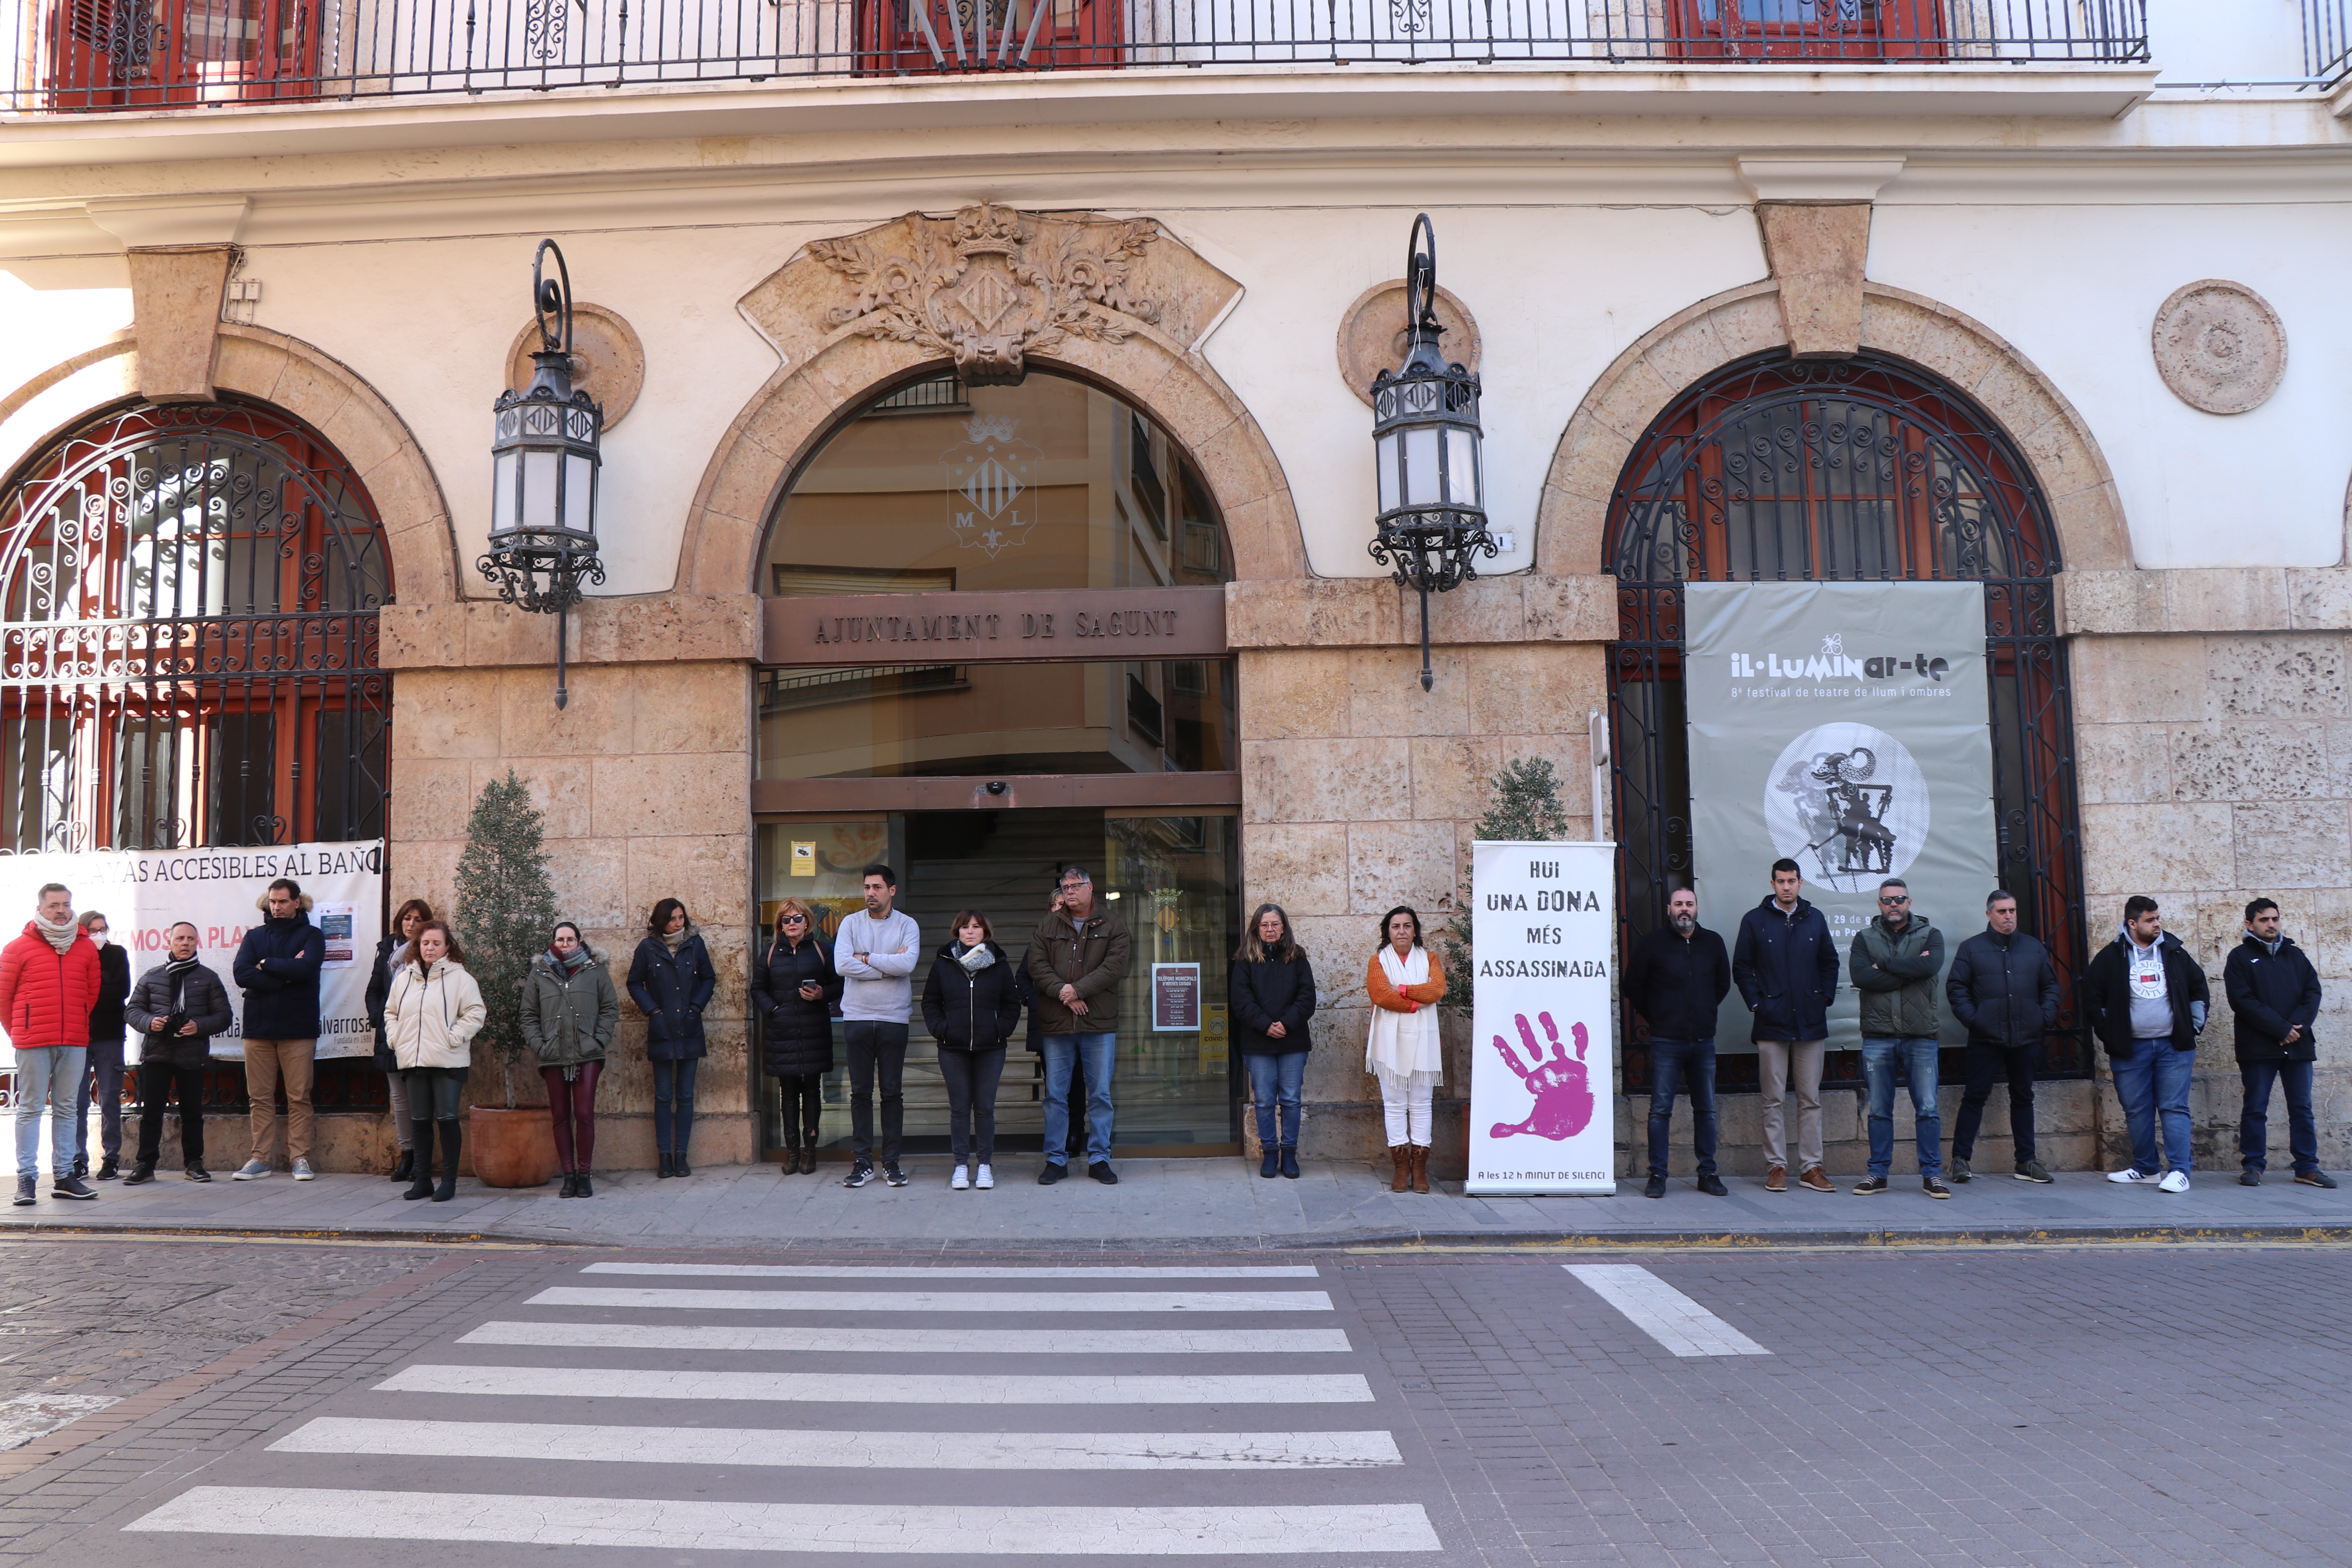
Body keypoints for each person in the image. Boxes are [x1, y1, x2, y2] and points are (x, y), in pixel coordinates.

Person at [2085, 895, 2207, 1193]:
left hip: (2174, 1047)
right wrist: (2110, 1033)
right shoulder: (2111, 956)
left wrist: (2193, 1025)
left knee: (2174, 1107)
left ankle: (2180, 1171)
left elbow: (2198, 987)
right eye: (2150, 920)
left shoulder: (2174, 951)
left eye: (2158, 919)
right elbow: (2092, 997)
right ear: (2133, 923)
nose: (2157, 924)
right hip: (2130, 1049)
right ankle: (2146, 1168)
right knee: (2137, 1110)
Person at [1732, 858, 1840, 1194]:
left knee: (1811, 1100)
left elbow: (1830, 962)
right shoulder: (1755, 921)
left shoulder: (1815, 919)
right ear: (1773, 884)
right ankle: (1776, 1167)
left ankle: (1811, 1168)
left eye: (1792, 881)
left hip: (1810, 1023)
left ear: (1801, 883)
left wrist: (1822, 998)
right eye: (1781, 882)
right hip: (1771, 1023)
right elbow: (1742, 967)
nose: (1787, 887)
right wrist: (1757, 1003)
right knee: (1773, 1100)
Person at [1945, 889, 2060, 1184]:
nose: (2009, 916)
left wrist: (2042, 1018)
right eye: (2002, 911)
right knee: (1974, 1097)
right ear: (1989, 915)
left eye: (2012, 910)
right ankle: (1960, 1160)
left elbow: (2051, 988)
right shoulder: (1971, 949)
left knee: (2023, 1097)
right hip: (1986, 1037)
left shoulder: (2034, 949)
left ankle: (2026, 1161)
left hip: (2026, 1036)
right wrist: (1976, 1020)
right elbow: (1957, 988)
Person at [1026, 865, 1132, 1187]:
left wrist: (1078, 990)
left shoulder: (1113, 925)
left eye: (1075, 885)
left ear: (1091, 888)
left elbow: (1115, 967)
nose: (1070, 891)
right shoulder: (1048, 925)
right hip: (1057, 1023)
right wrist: (1064, 993)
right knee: (1056, 1096)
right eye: (1065, 886)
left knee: (1100, 1094)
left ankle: (1100, 1159)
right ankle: (1056, 1160)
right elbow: (1036, 965)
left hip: (1098, 1024)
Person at [1623, 884, 1730, 1199]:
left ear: (1698, 909)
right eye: (1679, 904)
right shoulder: (1652, 944)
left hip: (1703, 1040)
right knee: (1660, 1110)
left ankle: (1708, 1173)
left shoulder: (1713, 943)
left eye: (1690, 904)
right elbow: (1633, 986)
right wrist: (1657, 1016)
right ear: (1669, 910)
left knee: (1707, 1110)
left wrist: (1705, 1011)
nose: (1685, 909)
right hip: (1666, 1040)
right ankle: (1658, 1175)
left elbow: (1722, 984)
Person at [1847, 878, 1950, 1199]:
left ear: (1910, 902)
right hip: (1878, 1036)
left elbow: (1931, 966)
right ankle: (1878, 1173)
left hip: (1921, 1036)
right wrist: (1910, 971)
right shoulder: (1865, 938)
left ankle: (1932, 1175)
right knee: (1879, 1109)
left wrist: (1888, 966)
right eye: (1887, 900)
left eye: (1900, 899)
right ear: (1879, 905)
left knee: (1928, 1108)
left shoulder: (1931, 935)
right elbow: (1861, 976)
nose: (1894, 905)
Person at [2, 882, 102, 1204]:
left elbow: (91, 994)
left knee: (67, 1108)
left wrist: (79, 1022)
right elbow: (4, 999)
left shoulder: (85, 947)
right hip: (33, 1040)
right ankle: (27, 1179)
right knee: (30, 1109)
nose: (61, 911)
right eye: (54, 905)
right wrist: (20, 1031)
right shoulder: (18, 948)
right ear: (41, 908)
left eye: (66, 905)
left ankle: (64, 1177)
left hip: (73, 1039)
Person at [2225, 897, 2332, 1189]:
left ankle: (2307, 1167)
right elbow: (2242, 1001)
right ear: (2250, 924)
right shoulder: (2239, 958)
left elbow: (2313, 992)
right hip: (2258, 1047)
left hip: (2298, 1044)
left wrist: (2297, 1027)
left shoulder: (2296, 956)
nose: (2271, 924)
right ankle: (2254, 1165)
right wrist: (2280, 1028)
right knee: (2256, 1107)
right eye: (2264, 920)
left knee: (2301, 1107)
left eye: (2275, 919)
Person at [122, 922, 234, 1186]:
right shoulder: (152, 977)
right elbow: (132, 1011)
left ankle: (194, 1164)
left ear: (198, 943)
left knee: (193, 1113)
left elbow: (224, 1016)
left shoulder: (208, 978)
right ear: (169, 941)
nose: (185, 943)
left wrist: (199, 1026)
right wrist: (150, 1022)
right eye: (180, 938)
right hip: (157, 1055)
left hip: (191, 1055)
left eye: (191, 939)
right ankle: (146, 1165)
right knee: (151, 1113)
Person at [229, 878, 326, 1181]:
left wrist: (266, 964)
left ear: (297, 903)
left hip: (298, 1028)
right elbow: (241, 973)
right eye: (273, 901)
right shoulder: (254, 936)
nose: (277, 907)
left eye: (283, 901)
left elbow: (306, 968)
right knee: (259, 1098)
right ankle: (260, 1159)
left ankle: (300, 1158)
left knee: (299, 1097)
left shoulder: (312, 936)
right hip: (258, 1029)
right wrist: (284, 976)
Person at [384, 920, 486, 1203]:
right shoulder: (405, 978)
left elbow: (475, 1013)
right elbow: (390, 1012)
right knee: (419, 1122)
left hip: (447, 1061)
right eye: (425, 943)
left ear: (447, 947)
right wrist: (396, 1039)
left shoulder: (461, 978)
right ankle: (423, 1180)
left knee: (448, 1119)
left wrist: (453, 1038)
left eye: (436, 943)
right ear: (418, 946)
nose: (430, 948)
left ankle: (449, 1182)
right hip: (413, 1060)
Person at [921, 909, 1022, 1191]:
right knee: (960, 1109)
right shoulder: (944, 962)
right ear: (957, 931)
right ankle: (961, 1166)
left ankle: (986, 1165)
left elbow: (1012, 1004)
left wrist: (1000, 1028)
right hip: (953, 1047)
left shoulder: (999, 963)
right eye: (965, 927)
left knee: (986, 1108)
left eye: (976, 927)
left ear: (985, 932)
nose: (970, 931)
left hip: (991, 1048)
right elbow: (930, 1002)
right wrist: (943, 1028)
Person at [834, 867, 920, 1189]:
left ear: (892, 891)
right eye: (867, 887)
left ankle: (892, 1163)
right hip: (856, 1017)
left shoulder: (907, 925)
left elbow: (907, 965)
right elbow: (843, 964)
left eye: (878, 887)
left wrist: (866, 958)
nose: (871, 893)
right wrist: (885, 968)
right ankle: (862, 1163)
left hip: (893, 1018)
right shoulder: (850, 923)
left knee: (892, 1093)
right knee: (860, 1093)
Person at [523, 921, 619, 1199]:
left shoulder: (595, 971)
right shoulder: (540, 973)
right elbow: (528, 1014)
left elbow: (610, 1008)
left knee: (584, 1114)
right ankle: (568, 1176)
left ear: (579, 942)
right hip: (553, 1054)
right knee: (561, 1117)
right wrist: (541, 1046)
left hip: (588, 1053)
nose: (565, 944)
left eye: (570, 940)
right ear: (553, 942)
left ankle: (585, 1175)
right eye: (560, 940)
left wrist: (598, 1039)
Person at [627, 898, 717, 1180]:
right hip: (662, 1028)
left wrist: (696, 1007)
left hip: (689, 1027)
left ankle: (682, 1155)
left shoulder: (695, 944)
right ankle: (664, 1156)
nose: (679, 923)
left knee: (686, 1096)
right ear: (661, 921)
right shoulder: (648, 948)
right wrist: (653, 1011)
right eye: (673, 919)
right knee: (664, 1095)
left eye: (682, 918)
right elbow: (634, 982)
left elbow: (708, 979)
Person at [751, 898, 840, 1176]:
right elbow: (757, 989)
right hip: (782, 1031)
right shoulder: (769, 953)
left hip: (814, 1029)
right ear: (780, 924)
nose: (792, 924)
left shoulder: (820, 950)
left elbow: (839, 983)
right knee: (788, 1093)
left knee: (812, 1091)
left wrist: (822, 994)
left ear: (807, 922)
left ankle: (809, 1153)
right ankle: (792, 1152)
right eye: (787, 919)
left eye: (798, 918)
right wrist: (774, 1010)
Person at [1231, 903, 1317, 1180]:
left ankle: (1289, 1153)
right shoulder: (1244, 961)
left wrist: (1286, 1024)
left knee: (1291, 1100)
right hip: (1258, 1043)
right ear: (1257, 929)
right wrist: (1266, 1026)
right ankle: (1269, 1152)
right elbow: (1241, 1002)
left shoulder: (1298, 958)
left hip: (1293, 1042)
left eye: (1275, 925)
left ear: (1284, 927)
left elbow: (1307, 999)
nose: (1270, 930)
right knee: (1265, 1100)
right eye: (1265, 925)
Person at [1366, 905, 1445, 1195]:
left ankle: (1420, 1169)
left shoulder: (1430, 958)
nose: (1402, 931)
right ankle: (1401, 1168)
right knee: (1395, 1104)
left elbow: (1436, 990)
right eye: (1396, 926)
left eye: (1407, 926)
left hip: (1424, 1041)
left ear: (1415, 930)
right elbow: (1379, 994)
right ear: (1388, 932)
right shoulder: (1378, 961)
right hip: (1389, 1043)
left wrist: (1399, 989)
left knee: (1423, 1104)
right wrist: (1414, 1000)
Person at [366, 898, 434, 1185]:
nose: (411, 924)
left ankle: (422, 1160)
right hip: (391, 1033)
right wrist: (379, 1016)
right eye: (407, 918)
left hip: (420, 1034)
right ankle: (407, 1155)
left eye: (418, 920)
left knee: (422, 1098)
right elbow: (373, 990)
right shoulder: (387, 951)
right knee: (399, 1100)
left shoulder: (431, 951)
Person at [73, 909, 131, 1181]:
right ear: (83, 931)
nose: (99, 935)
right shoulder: (73, 954)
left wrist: (90, 993)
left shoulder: (117, 954)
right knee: (77, 1100)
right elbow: (71, 994)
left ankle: (111, 1159)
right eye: (94, 930)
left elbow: (121, 992)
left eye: (103, 929)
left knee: (109, 1098)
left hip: (109, 1035)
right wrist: (98, 991)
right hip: (78, 1036)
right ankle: (77, 1159)